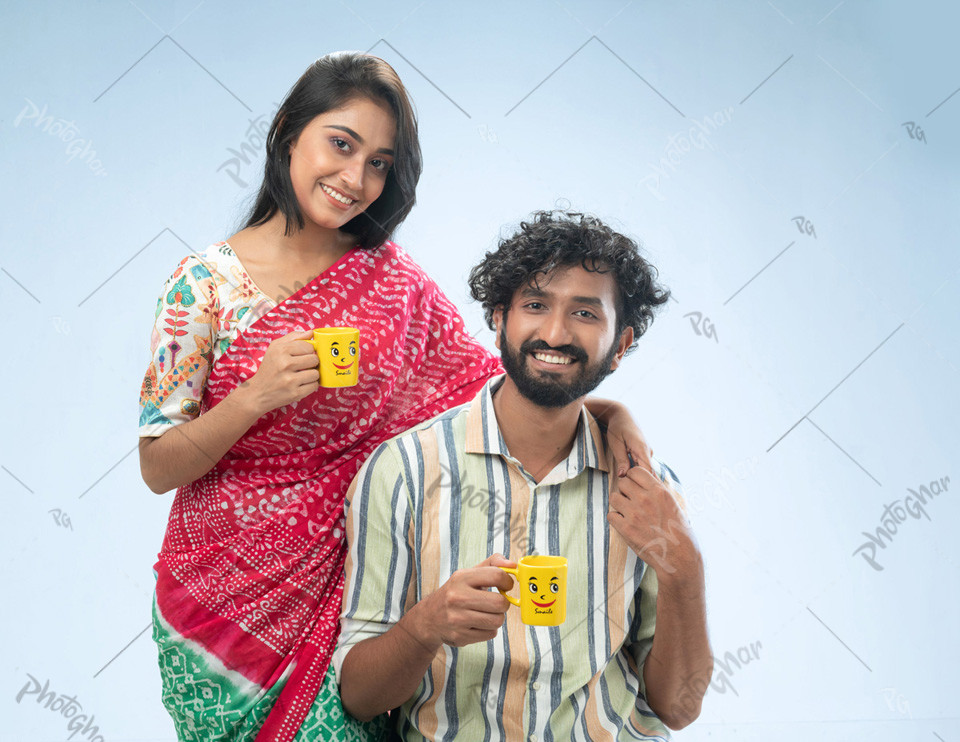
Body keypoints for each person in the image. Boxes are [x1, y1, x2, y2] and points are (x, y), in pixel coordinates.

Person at [138, 54, 653, 741]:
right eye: (341, 144)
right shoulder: (200, 286)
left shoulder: (392, 282)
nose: (355, 179)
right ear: (290, 131)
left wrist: (606, 412)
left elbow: (493, 387)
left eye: (380, 163)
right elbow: (157, 465)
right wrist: (252, 399)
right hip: (225, 602)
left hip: (358, 589)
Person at [336, 210, 713, 740]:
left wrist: (685, 565)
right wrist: (424, 628)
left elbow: (679, 708)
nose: (554, 333)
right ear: (498, 319)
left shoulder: (648, 490)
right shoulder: (405, 470)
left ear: (621, 343)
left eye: (585, 313)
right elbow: (357, 697)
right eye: (535, 305)